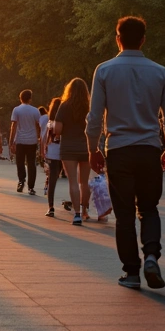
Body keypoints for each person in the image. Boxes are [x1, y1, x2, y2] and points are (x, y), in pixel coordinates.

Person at [86, 16, 165, 290]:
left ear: (118, 39)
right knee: (149, 208)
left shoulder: (104, 71)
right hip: (150, 148)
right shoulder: (160, 72)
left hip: (119, 149)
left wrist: (92, 148)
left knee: (125, 213)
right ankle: (151, 255)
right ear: (143, 39)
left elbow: (94, 117)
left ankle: (132, 272)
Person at [53, 78, 92, 225]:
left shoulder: (64, 106)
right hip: (87, 147)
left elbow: (58, 129)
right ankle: (85, 211)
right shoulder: (89, 107)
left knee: (73, 182)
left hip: (68, 148)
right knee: (85, 182)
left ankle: (76, 214)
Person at [9, 90, 42, 196]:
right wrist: (38, 138)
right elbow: (38, 125)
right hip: (32, 140)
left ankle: (21, 181)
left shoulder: (16, 110)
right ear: (30, 98)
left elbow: (14, 126)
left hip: (20, 140)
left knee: (20, 162)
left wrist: (11, 141)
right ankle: (31, 187)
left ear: (20, 98)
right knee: (32, 163)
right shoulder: (35, 111)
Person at [42, 98, 63, 217]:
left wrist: (43, 151)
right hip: (64, 152)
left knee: (52, 180)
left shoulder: (50, 122)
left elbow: (44, 139)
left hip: (52, 153)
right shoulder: (64, 122)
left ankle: (50, 207)